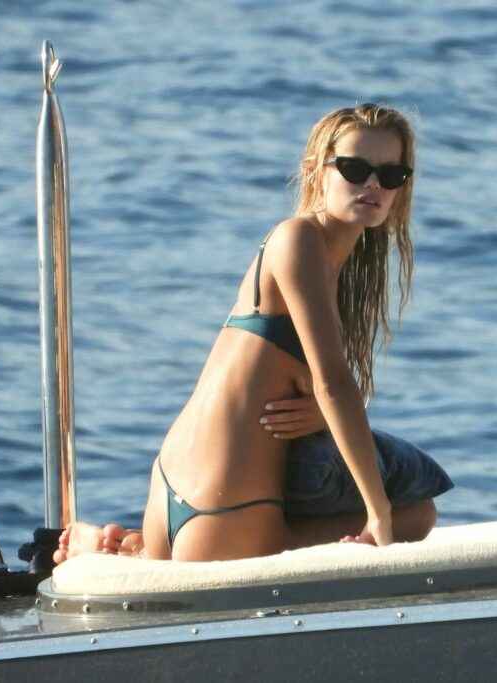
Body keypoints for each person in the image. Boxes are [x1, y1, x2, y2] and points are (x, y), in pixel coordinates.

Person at [55, 103, 438, 564]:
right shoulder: (298, 239)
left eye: (391, 175)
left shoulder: (323, 261)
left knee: (412, 508)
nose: (373, 185)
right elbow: (334, 383)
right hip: (225, 506)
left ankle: (125, 546)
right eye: (355, 170)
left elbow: (290, 386)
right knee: (414, 517)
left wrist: (321, 415)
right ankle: (112, 549)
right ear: (315, 171)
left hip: (181, 487)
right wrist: (378, 517)